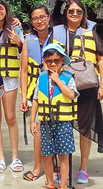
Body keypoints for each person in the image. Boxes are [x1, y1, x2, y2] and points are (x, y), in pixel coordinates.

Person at [53, 0, 103, 185]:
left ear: (83, 14)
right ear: (65, 13)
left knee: (85, 128)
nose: (75, 14)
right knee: (63, 128)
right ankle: (64, 167)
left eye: (78, 12)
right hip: (63, 86)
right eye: (71, 11)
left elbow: (101, 59)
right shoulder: (57, 32)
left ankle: (83, 167)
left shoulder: (90, 33)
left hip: (87, 87)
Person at [30, 43, 79, 189]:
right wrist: (33, 121)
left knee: (63, 155)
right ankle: (50, 183)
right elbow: (36, 99)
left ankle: (63, 185)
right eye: (49, 61)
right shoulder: (41, 78)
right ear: (45, 60)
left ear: (62, 60)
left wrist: (57, 80)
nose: (53, 64)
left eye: (56, 61)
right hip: (45, 123)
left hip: (63, 123)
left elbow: (71, 95)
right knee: (46, 154)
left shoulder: (68, 78)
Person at [0, 0, 25, 173]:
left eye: (0, 8)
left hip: (9, 78)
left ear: (6, 10)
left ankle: (15, 157)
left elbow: (24, 52)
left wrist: (18, 41)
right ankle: (0, 158)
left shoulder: (15, 27)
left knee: (10, 117)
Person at [19, 5, 54, 182]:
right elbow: (24, 71)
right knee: (38, 128)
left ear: (48, 17)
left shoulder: (57, 37)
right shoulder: (28, 40)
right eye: (35, 18)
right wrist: (24, 96)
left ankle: (53, 163)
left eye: (42, 17)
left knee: (56, 125)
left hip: (55, 90)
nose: (39, 21)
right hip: (35, 89)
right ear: (31, 22)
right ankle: (37, 166)